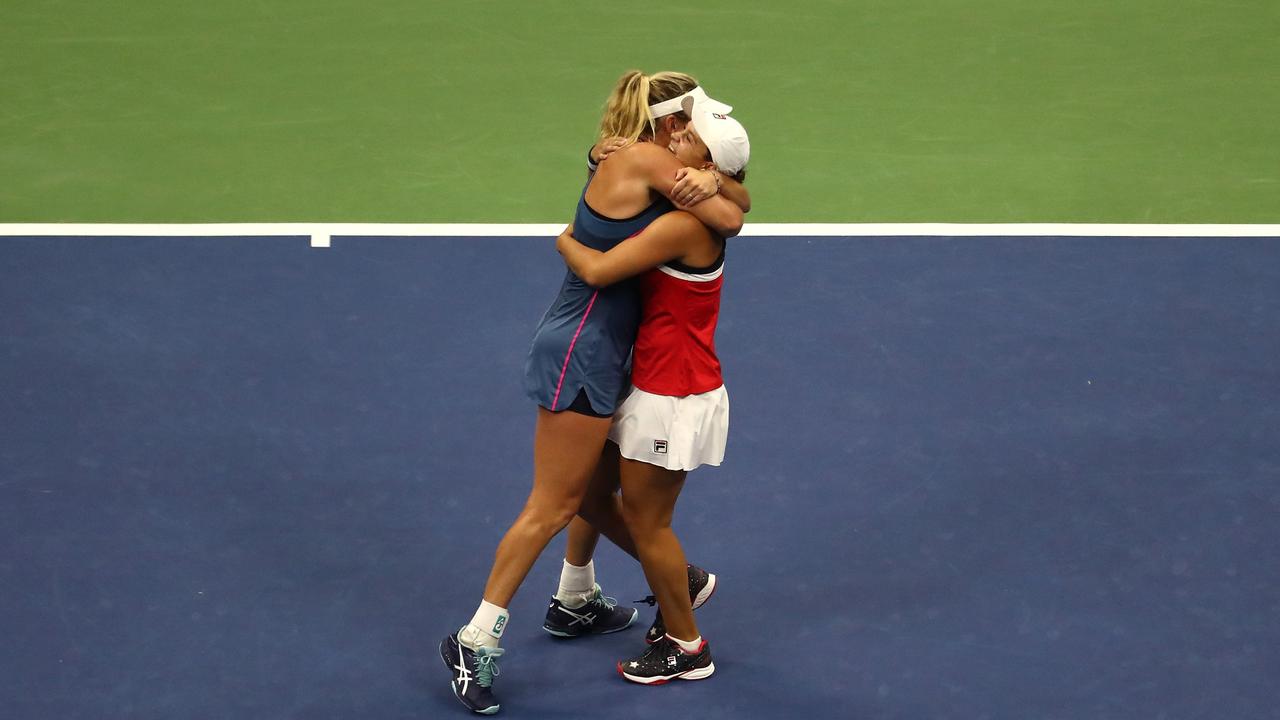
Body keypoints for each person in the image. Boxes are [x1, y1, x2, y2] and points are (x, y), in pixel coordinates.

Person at [440, 71, 745, 715]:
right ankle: (477, 639)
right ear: (668, 126)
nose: (692, 136)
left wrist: (718, 178)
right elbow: (723, 219)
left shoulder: (645, 161)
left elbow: (731, 207)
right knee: (553, 504)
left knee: (592, 487)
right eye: (688, 126)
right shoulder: (645, 161)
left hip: (606, 354)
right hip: (582, 352)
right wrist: (567, 242)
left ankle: (576, 598)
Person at [554, 100, 750, 684]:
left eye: (691, 136)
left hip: (674, 397)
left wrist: (563, 239)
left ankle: (687, 645)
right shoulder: (695, 202)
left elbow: (597, 271)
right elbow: (736, 200)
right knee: (587, 493)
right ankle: (679, 583)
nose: (677, 135)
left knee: (648, 521)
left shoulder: (683, 224)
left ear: (706, 164)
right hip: (653, 387)